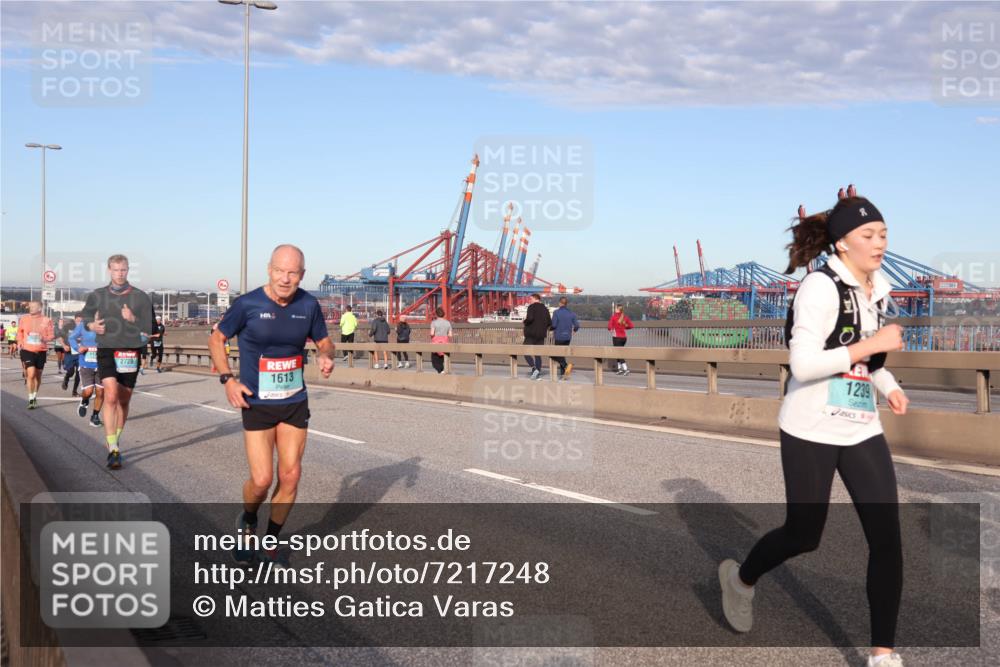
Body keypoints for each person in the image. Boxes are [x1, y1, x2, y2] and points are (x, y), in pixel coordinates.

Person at [719, 191, 909, 667]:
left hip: (861, 426)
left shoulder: (876, 289)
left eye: (883, 233)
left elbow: (868, 361)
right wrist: (872, 346)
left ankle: (882, 655)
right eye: (868, 235)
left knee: (887, 540)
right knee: (805, 534)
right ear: (842, 243)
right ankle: (740, 580)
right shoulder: (820, 288)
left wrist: (888, 385)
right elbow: (802, 364)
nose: (879, 242)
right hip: (810, 426)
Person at [209, 244, 335, 566]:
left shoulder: (308, 305)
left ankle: (270, 541)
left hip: (294, 400)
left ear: (301, 275)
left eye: (292, 272)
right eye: (280, 270)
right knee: (263, 480)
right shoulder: (247, 304)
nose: (285, 278)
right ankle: (248, 519)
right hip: (257, 403)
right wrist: (228, 379)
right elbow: (216, 338)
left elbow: (324, 339)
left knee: (291, 475)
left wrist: (326, 354)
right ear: (269, 269)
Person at [79, 254, 155, 470]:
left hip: (130, 352)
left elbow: (152, 329)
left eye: (123, 270)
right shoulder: (98, 295)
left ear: (128, 270)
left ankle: (117, 437)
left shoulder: (140, 297)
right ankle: (113, 449)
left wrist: (133, 319)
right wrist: (92, 327)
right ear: (109, 270)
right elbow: (84, 319)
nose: (120, 274)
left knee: (123, 400)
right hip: (106, 350)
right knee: (110, 396)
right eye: (116, 270)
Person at [17, 301, 54, 409]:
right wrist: (19, 341)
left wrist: (44, 338)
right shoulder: (24, 319)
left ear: (40, 308)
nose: (31, 308)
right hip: (27, 350)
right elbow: (19, 332)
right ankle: (31, 399)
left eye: (34, 307)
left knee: (38, 376)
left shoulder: (47, 320)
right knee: (31, 373)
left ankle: (34, 396)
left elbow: (51, 335)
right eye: (30, 306)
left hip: (41, 351)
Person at [72, 315, 104, 427]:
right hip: (86, 364)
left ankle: (95, 416)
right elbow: (71, 338)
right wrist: (77, 347)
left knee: (101, 392)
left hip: (102, 364)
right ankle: (84, 401)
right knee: (89, 391)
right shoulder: (83, 325)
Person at [523, 294, 552, 380]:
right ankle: (537, 371)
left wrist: (525, 322)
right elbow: (549, 322)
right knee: (537, 354)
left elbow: (530, 318)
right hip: (541, 334)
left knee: (525, 351)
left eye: (531, 299)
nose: (529, 300)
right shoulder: (545, 309)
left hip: (531, 334)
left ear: (536, 299)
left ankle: (534, 368)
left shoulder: (531, 307)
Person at [550, 297, 579, 380]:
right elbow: (577, 325)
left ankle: (566, 366)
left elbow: (554, 325)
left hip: (559, 336)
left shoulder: (556, 312)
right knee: (562, 355)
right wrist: (574, 331)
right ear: (566, 303)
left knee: (556, 354)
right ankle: (563, 375)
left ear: (560, 303)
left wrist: (550, 329)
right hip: (567, 337)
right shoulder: (572, 313)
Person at [607, 304, 634, 375]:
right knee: (618, 353)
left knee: (619, 353)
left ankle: (625, 369)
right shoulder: (625, 317)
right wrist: (625, 328)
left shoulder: (614, 317)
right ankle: (620, 369)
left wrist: (611, 329)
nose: (615, 309)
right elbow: (631, 326)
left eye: (615, 308)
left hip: (616, 338)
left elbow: (609, 327)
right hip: (624, 338)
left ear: (617, 309)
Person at [61, 314, 82, 396]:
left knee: (79, 373)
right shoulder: (68, 327)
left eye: (81, 321)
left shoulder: (85, 328)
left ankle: (74, 391)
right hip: (70, 352)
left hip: (80, 353)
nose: (80, 322)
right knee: (71, 371)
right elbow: (60, 337)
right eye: (78, 320)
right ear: (75, 319)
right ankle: (66, 377)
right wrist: (64, 345)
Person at [429, 307, 452, 374]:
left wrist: (433, 337)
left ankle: (441, 371)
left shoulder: (434, 323)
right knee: (443, 359)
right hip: (445, 342)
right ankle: (443, 371)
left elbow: (432, 333)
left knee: (435, 361)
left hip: (436, 343)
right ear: (443, 314)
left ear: (436, 314)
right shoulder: (448, 323)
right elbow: (450, 335)